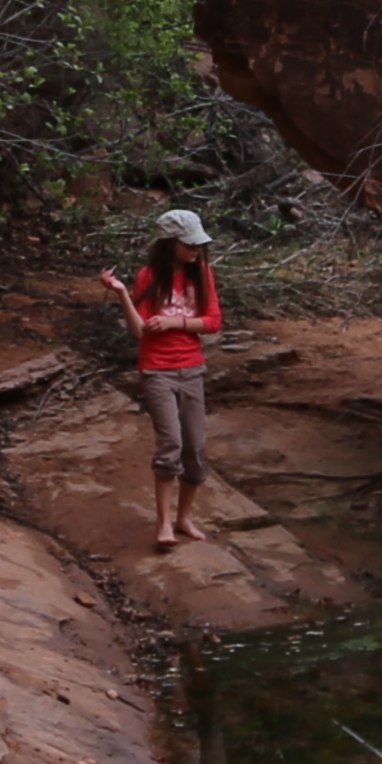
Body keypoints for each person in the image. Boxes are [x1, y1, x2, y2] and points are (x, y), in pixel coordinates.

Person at [99, 209, 223, 549]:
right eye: (189, 244)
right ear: (170, 243)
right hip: (157, 370)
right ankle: (164, 523)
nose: (196, 249)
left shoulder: (203, 274)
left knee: (195, 449)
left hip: (192, 367)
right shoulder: (149, 276)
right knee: (171, 445)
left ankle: (184, 518)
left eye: (198, 243)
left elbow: (213, 322)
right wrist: (122, 292)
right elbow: (140, 330)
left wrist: (174, 323)